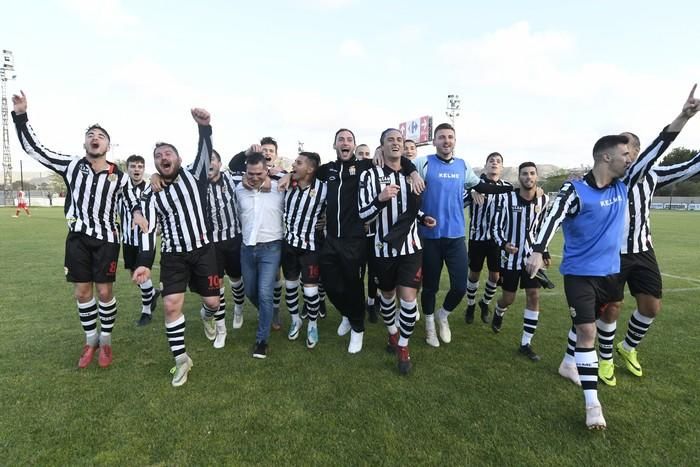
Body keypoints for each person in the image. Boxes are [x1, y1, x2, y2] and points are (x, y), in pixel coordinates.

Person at [526, 85, 699, 430]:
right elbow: (551, 216)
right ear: (607, 157)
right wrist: (539, 248)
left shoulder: (626, 182)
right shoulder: (575, 190)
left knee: (593, 324)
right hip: (579, 274)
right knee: (588, 331)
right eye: (625, 154)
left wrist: (684, 116)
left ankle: (571, 363)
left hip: (611, 271)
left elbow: (655, 153)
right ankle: (593, 407)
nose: (630, 159)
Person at [12, 90, 141, 369]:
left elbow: (131, 198)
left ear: (108, 145)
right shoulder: (71, 166)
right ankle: (90, 339)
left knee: (105, 293)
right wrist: (21, 116)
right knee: (83, 292)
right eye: (91, 135)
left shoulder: (117, 175)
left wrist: (138, 213)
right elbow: (36, 150)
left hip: (107, 239)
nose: (95, 138)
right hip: (78, 239)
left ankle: (105, 342)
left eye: (101, 136)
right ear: (85, 142)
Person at [595, 137, 700, 386]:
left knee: (651, 307)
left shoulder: (654, 173)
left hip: (643, 251)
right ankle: (605, 357)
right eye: (625, 149)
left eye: (633, 148)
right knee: (612, 306)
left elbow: (690, 166)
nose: (629, 153)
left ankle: (628, 346)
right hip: (612, 252)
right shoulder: (612, 175)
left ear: (640, 151)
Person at [312, 128, 422, 353]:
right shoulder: (328, 170)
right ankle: (348, 314)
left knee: (353, 286)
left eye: (349, 140)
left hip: (355, 239)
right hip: (331, 238)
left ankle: (357, 329)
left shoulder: (365, 165)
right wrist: (285, 174)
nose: (345, 143)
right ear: (334, 145)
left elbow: (398, 160)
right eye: (340, 139)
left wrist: (412, 172)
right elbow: (306, 171)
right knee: (331, 284)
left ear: (354, 145)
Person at [132, 108, 219, 387]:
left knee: (213, 303)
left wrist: (204, 128)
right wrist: (144, 261)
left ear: (179, 159)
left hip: (204, 250)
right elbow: (147, 228)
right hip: (173, 255)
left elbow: (205, 153)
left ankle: (208, 315)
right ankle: (181, 360)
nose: (163, 158)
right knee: (171, 306)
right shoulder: (151, 192)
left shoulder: (194, 176)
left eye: (168, 153)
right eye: (158, 156)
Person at [414, 123, 512, 347]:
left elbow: (482, 186)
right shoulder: (423, 162)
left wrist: (512, 190)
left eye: (450, 137)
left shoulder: (462, 166)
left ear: (454, 141)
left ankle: (443, 315)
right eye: (441, 137)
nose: (446, 141)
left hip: (456, 236)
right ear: (435, 141)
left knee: (459, 286)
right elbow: (406, 168)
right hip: (429, 236)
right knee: (430, 286)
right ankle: (429, 324)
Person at [359, 128, 436, 374]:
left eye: (399, 140)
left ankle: (403, 345)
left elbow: (411, 209)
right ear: (381, 146)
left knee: (409, 300)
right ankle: (392, 332)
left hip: (411, 247)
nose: (396, 143)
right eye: (390, 140)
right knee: (388, 296)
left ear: (404, 146)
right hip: (382, 248)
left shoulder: (412, 176)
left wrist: (423, 218)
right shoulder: (370, 176)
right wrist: (380, 199)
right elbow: (363, 214)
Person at [490, 162, 549, 361]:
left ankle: (526, 343)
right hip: (510, 259)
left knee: (533, 295)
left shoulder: (544, 200)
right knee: (509, 298)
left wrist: (545, 252)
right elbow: (495, 228)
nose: (528, 177)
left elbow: (543, 229)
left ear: (537, 177)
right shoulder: (507, 199)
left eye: (532, 173)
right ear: (519, 177)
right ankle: (499, 311)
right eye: (524, 174)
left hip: (531, 258)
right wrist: (504, 244)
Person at [229, 137, 285, 328]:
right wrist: (246, 154)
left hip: (273, 242)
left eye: (271, 151)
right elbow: (233, 166)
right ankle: (268, 311)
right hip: (249, 242)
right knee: (254, 290)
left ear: (275, 156)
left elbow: (303, 176)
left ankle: (270, 319)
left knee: (268, 286)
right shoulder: (242, 184)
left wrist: (288, 175)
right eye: (265, 150)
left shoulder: (282, 179)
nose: (268, 153)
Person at [282, 152, 327, 348]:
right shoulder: (286, 183)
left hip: (310, 247)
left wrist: (327, 220)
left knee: (310, 291)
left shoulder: (324, 189)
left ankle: (312, 324)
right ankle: (295, 320)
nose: (294, 165)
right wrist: (287, 175)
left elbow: (338, 207)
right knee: (290, 287)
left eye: (298, 163)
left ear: (310, 169)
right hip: (289, 245)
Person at [203, 149, 246, 348]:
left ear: (219, 164)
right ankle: (221, 329)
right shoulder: (195, 183)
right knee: (216, 286)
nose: (208, 163)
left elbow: (238, 163)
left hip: (234, 239)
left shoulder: (232, 179)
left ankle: (238, 307)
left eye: (212, 159)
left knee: (236, 279)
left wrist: (247, 151)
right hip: (211, 244)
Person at [465, 152, 513, 324]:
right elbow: (458, 199)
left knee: (495, 276)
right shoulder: (475, 184)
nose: (494, 163)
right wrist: (470, 192)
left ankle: (484, 303)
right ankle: (470, 305)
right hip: (477, 237)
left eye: (498, 161)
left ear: (501, 167)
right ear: (485, 165)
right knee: (474, 273)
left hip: (497, 239)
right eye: (491, 160)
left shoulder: (507, 188)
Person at [118, 154, 160, 327]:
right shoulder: (120, 189)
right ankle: (153, 292)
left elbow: (161, 208)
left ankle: (146, 311)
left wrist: (159, 226)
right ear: (127, 169)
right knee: (134, 276)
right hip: (128, 240)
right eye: (133, 166)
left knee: (141, 276)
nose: (136, 169)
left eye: (140, 166)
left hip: (146, 239)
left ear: (143, 169)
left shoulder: (151, 188)